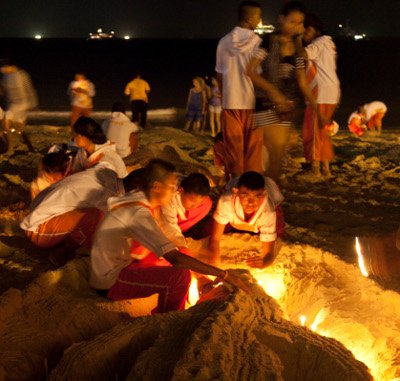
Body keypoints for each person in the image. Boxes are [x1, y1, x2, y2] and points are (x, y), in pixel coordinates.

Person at [90, 159, 250, 314]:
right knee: (180, 277)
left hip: (125, 261)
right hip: (110, 280)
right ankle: (170, 319)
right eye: (172, 186)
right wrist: (223, 274)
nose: (175, 191)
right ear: (157, 187)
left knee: (179, 254)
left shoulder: (141, 199)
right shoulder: (139, 214)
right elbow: (176, 259)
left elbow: (169, 240)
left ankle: (201, 284)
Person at [246, 1, 322, 183]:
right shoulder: (269, 42)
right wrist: (273, 91)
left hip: (286, 109)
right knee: (273, 154)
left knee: (277, 156)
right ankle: (269, 195)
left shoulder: (298, 50)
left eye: (299, 23)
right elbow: (250, 71)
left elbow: (303, 84)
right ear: (281, 19)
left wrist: (318, 109)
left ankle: (269, 194)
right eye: (292, 21)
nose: (295, 26)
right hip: (266, 103)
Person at [20, 163, 124, 266]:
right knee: (96, 217)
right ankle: (61, 253)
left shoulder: (107, 171)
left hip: (35, 213)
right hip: (36, 229)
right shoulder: (107, 194)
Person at [215, 1, 264, 178]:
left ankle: (235, 184)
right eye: (258, 16)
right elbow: (259, 76)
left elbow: (219, 74)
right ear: (251, 18)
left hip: (231, 101)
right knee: (253, 147)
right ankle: (252, 183)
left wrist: (224, 97)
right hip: (252, 102)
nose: (259, 20)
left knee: (234, 148)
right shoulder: (258, 42)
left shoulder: (224, 42)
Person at [207, 171, 280, 268]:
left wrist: (264, 262)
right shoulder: (226, 202)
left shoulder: (268, 212)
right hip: (233, 198)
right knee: (208, 230)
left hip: (272, 200)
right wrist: (214, 259)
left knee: (279, 236)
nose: (250, 203)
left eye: (256, 196)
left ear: (263, 194)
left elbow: (269, 254)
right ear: (236, 192)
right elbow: (215, 238)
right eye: (245, 195)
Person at [301, 13, 340, 177]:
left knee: (313, 131)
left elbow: (302, 54)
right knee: (322, 131)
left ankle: (315, 168)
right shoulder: (329, 43)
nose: (304, 36)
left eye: (304, 32)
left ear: (311, 29)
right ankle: (326, 167)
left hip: (320, 92)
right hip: (332, 91)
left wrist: (295, 39)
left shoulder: (317, 44)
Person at [161, 173, 212, 243]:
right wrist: (179, 239)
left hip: (176, 212)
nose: (195, 206)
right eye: (192, 201)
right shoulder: (168, 199)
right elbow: (169, 225)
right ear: (181, 190)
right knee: (168, 230)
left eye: (198, 202)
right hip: (160, 216)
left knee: (206, 203)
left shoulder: (188, 184)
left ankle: (179, 229)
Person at [0, 60, 38, 127]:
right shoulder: (5, 76)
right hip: (12, 104)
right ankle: (14, 134)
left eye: (4, 67)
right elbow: (3, 90)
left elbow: (29, 89)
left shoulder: (22, 75)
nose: (2, 70)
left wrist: (34, 104)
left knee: (15, 120)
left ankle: (15, 134)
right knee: (11, 119)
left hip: (23, 103)